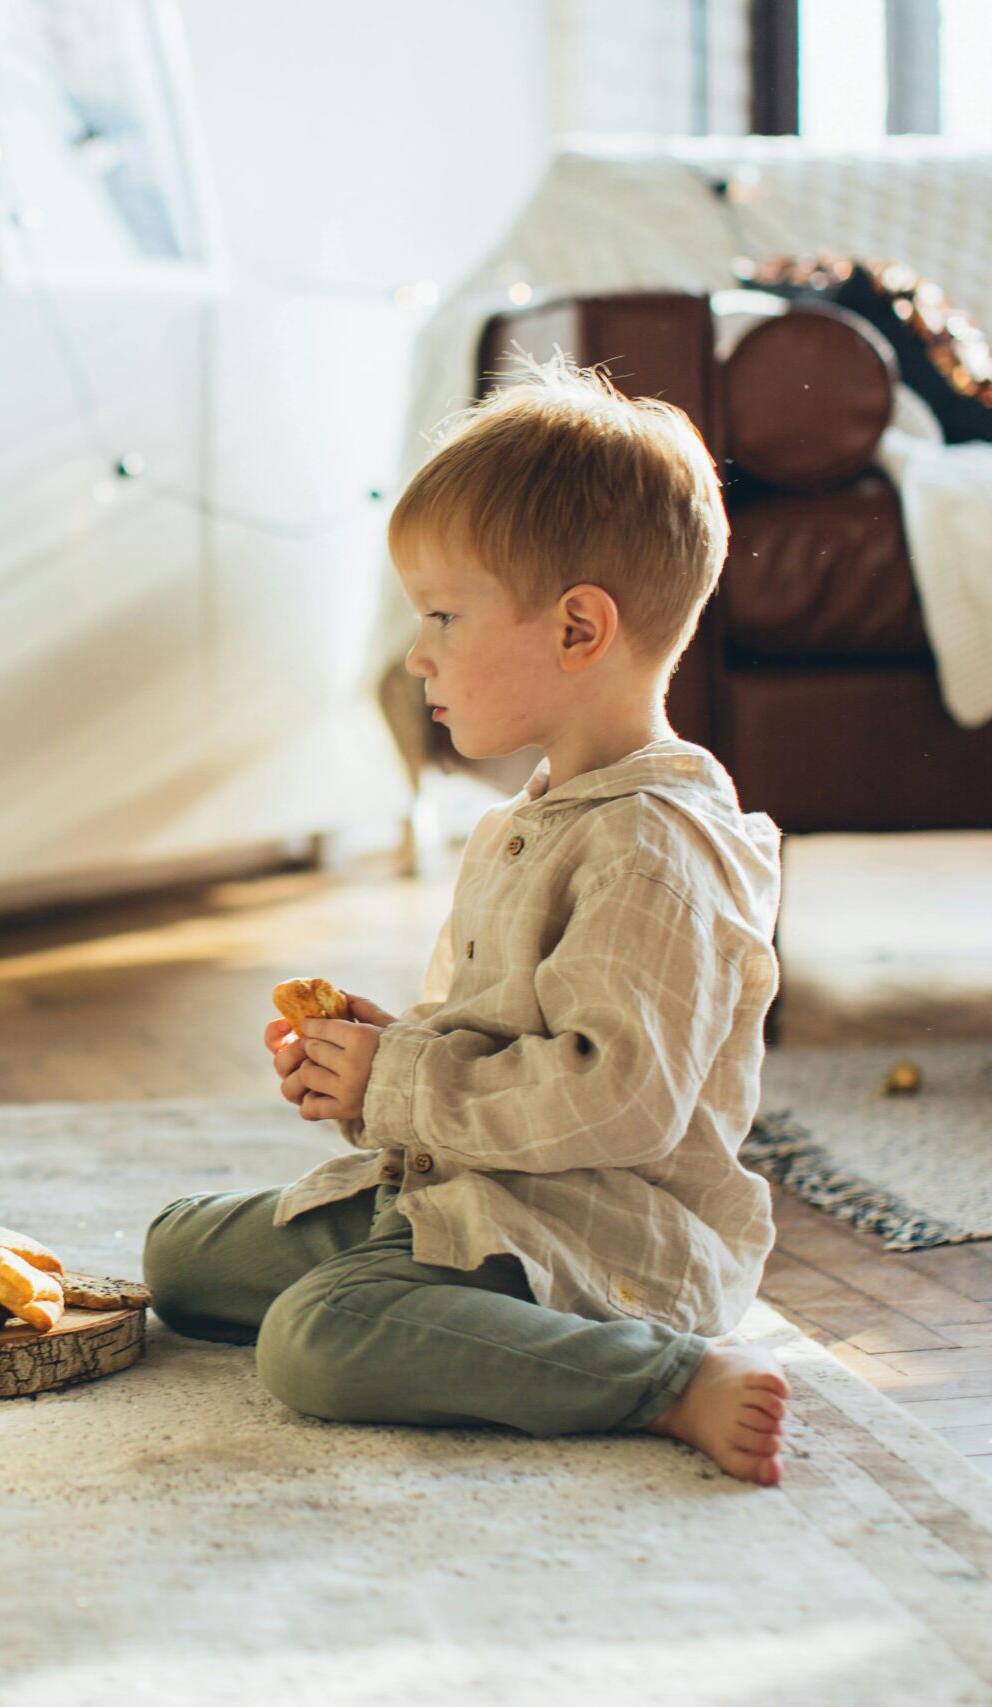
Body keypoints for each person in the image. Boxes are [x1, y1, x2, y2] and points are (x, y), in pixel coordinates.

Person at [142, 359, 790, 1484]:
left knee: (316, 1342)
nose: (418, 652)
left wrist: (396, 1082)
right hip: (480, 1194)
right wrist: (380, 1058)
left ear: (578, 629)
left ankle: (659, 1379)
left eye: (443, 613)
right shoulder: (535, 816)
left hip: (595, 1240)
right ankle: (429, 1314)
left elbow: (618, 1100)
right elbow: (509, 1036)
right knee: (179, 1253)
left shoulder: (652, 846)